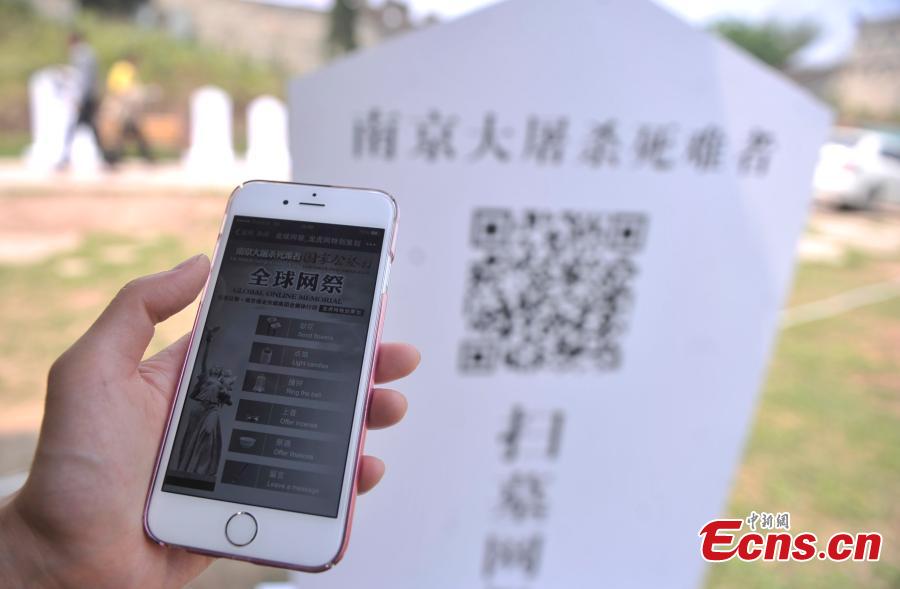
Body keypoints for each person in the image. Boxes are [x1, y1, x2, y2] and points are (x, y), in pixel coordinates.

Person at [0, 255, 419, 586]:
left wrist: (33, 560)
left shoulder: (218, 397)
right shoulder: (206, 384)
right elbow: (205, 367)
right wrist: (34, 555)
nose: (222, 379)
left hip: (208, 434)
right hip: (201, 432)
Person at [58, 32, 111, 168]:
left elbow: (83, 79)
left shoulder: (80, 55)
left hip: (85, 96)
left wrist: (79, 98)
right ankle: (105, 158)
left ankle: (64, 157)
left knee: (75, 126)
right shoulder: (89, 53)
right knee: (91, 127)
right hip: (91, 95)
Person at [105, 55, 154, 163]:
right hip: (126, 108)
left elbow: (112, 86)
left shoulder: (117, 68)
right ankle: (146, 156)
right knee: (128, 132)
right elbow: (128, 89)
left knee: (125, 132)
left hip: (124, 107)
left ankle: (114, 157)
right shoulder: (128, 69)